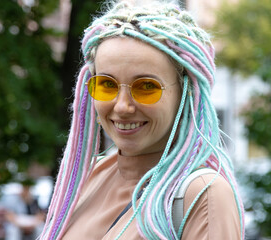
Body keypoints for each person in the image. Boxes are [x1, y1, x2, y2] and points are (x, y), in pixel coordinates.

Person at [41, 0, 245, 239]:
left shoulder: (202, 195)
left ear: (186, 93)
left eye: (147, 86)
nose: (122, 106)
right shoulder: (90, 177)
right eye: (107, 84)